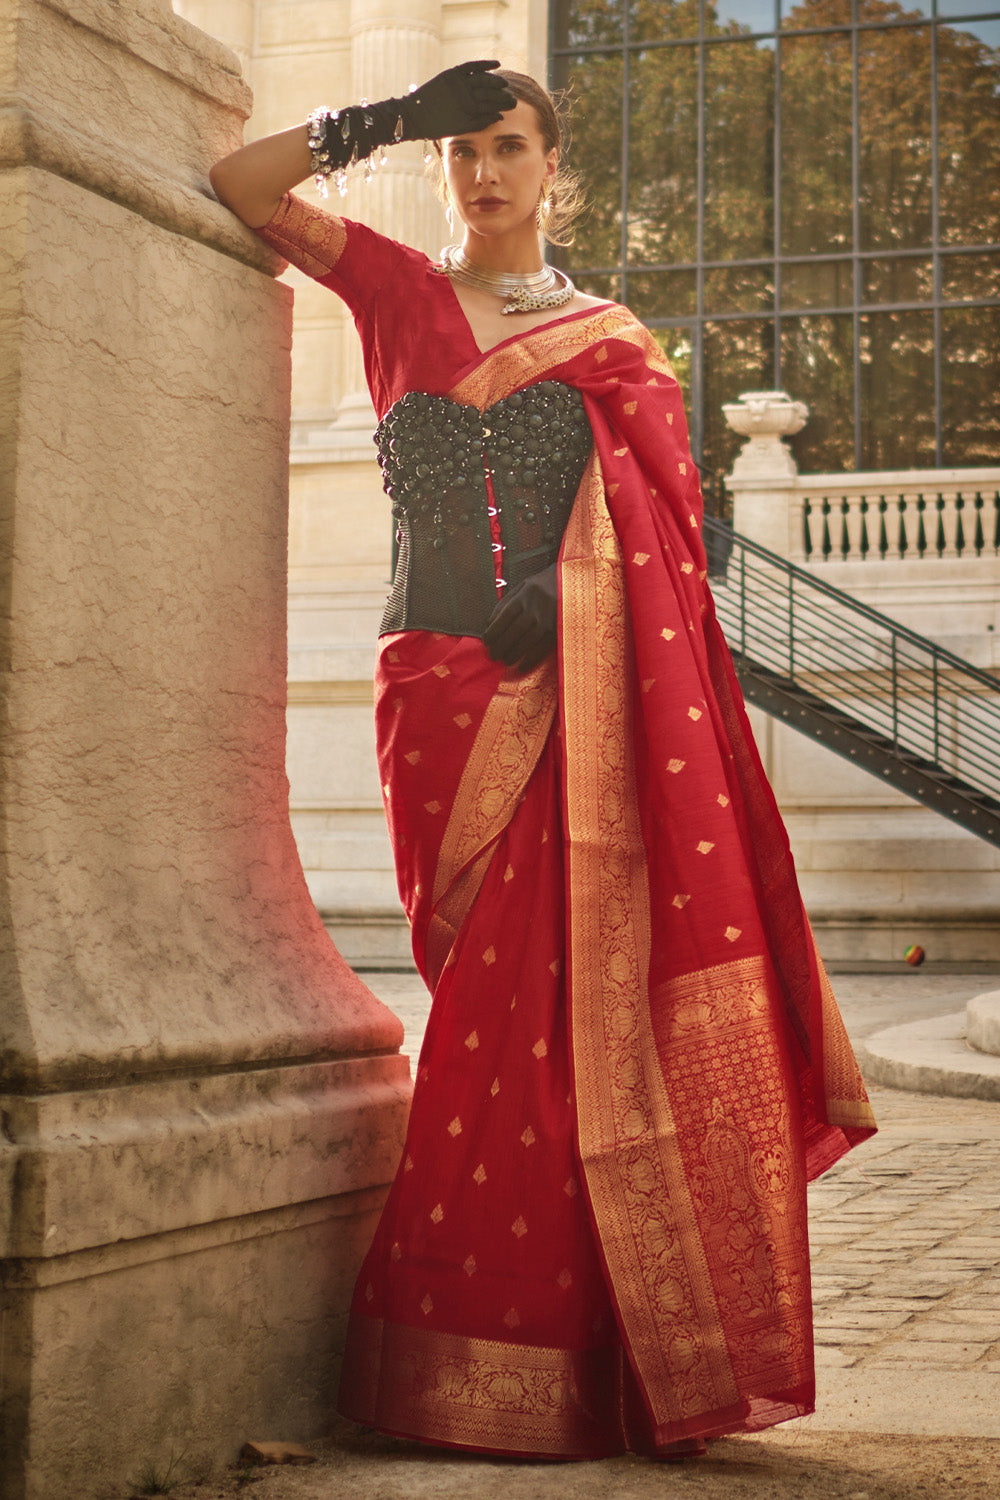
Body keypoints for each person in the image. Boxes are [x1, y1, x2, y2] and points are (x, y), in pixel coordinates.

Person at [210, 62, 876, 1462]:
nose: (483, 173)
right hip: (433, 690)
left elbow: (667, 545)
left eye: (507, 147)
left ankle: (575, 1353)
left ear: (551, 163)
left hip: (563, 690)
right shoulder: (395, 292)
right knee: (475, 988)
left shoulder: (612, 344)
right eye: (462, 152)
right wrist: (382, 120)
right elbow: (243, 187)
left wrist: (565, 602)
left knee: (559, 1013)